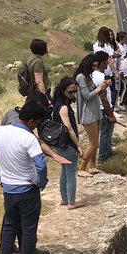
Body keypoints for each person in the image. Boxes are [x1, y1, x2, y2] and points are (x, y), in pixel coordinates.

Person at [0, 97, 50, 254]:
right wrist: (41, 182)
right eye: (36, 124)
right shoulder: (28, 138)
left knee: (10, 224)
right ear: (31, 121)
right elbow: (41, 164)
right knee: (29, 227)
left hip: (8, 188)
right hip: (27, 189)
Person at [52, 78, 83, 208]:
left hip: (61, 144)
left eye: (75, 91)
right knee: (71, 173)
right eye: (70, 92)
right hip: (68, 143)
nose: (73, 94)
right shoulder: (64, 107)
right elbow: (69, 128)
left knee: (65, 171)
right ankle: (71, 201)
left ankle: (65, 198)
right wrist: (78, 145)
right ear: (63, 91)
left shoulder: (57, 104)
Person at [75, 53, 108, 174]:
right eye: (93, 65)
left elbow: (95, 93)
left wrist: (103, 87)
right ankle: (82, 168)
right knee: (93, 143)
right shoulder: (81, 77)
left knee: (96, 142)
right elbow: (86, 96)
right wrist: (99, 88)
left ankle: (92, 166)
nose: (94, 68)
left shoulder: (88, 77)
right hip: (87, 113)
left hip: (95, 112)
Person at [89, 51, 116, 163]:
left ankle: (106, 151)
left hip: (96, 108)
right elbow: (103, 98)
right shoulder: (101, 77)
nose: (108, 63)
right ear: (102, 63)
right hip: (103, 108)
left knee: (103, 132)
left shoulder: (92, 75)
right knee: (106, 132)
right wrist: (111, 114)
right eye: (107, 61)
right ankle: (103, 156)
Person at [23, 38, 50, 105]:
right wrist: (45, 97)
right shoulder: (38, 62)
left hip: (33, 91)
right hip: (40, 92)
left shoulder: (30, 58)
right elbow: (39, 81)